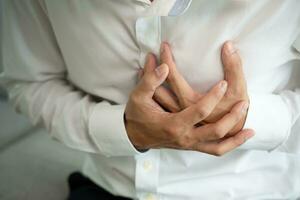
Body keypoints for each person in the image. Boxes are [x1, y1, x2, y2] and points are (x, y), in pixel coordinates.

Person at [1, 0, 300, 199]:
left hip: (255, 191)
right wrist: (122, 130)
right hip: (109, 188)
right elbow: (30, 81)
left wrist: (248, 118)